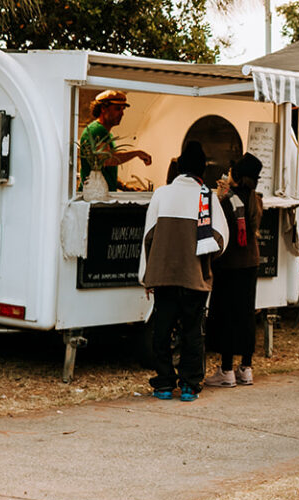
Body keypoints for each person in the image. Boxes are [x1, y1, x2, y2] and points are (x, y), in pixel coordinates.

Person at [140, 141, 227, 401]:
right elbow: (222, 238)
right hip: (195, 278)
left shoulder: (161, 194)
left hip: (163, 277)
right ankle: (189, 385)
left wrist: (146, 275)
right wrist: (205, 260)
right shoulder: (207, 196)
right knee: (192, 332)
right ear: (201, 169)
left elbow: (147, 237)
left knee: (162, 331)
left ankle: (164, 384)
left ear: (179, 168)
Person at [205, 154, 264, 388]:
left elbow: (218, 227)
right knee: (247, 313)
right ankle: (246, 368)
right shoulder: (255, 199)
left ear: (236, 176)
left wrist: (220, 197)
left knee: (226, 315)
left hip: (229, 262)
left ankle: (226, 370)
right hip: (251, 261)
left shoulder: (228, 199)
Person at [78, 90, 153, 190]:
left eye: (123, 109)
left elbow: (106, 170)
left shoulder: (106, 134)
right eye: (118, 109)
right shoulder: (97, 130)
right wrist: (137, 153)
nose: (122, 114)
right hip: (95, 197)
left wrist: (125, 187)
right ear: (103, 108)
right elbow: (108, 160)